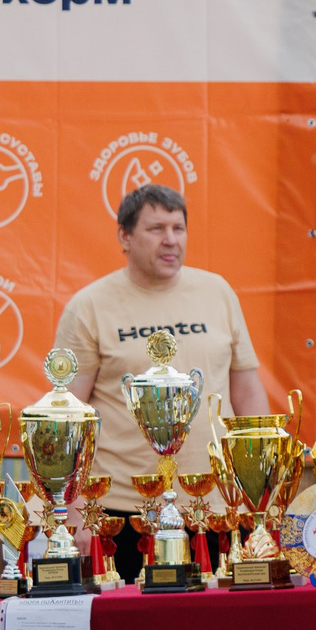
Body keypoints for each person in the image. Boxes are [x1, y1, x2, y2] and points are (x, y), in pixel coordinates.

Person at [56, 184, 267, 580]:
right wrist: (76, 509)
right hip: (122, 513)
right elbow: (69, 414)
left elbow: (248, 392)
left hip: (220, 507)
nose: (170, 239)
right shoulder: (90, 307)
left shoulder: (218, 292)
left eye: (178, 228)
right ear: (125, 235)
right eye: (156, 229)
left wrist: (262, 488)